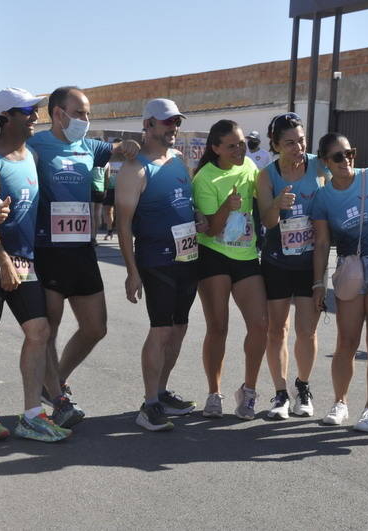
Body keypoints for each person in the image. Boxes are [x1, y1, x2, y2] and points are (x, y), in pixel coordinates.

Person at [0, 87, 74, 442]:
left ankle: (31, 414)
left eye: (35, 110)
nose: (35, 117)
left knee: (39, 332)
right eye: (28, 111)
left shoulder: (31, 156)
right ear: (7, 117)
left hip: (24, 261)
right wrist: (1, 261)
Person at [27, 86, 139, 419]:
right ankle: (56, 397)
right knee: (49, 330)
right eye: (79, 113)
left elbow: (119, 149)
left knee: (96, 327)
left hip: (82, 251)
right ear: (58, 114)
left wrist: (130, 146)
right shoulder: (36, 146)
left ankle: (55, 382)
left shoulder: (90, 146)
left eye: (88, 113)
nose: (86, 120)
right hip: (47, 250)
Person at [115, 98, 199, 431]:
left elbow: (186, 204)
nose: (173, 128)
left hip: (188, 255)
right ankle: (149, 405)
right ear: (148, 125)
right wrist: (132, 271)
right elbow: (123, 225)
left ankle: (161, 393)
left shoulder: (179, 160)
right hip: (156, 259)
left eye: (176, 122)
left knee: (179, 327)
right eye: (167, 122)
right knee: (161, 328)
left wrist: (201, 219)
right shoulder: (134, 169)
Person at [312, 132, 368, 432]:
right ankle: (340, 402)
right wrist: (318, 283)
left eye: (350, 153)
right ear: (325, 162)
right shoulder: (323, 196)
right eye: (338, 156)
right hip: (350, 269)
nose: (346, 160)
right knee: (347, 341)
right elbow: (322, 243)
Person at [192, 119, 268, 420]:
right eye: (232, 145)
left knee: (260, 325)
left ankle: (248, 392)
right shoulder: (204, 178)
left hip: (246, 256)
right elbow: (210, 231)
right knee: (218, 327)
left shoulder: (250, 167)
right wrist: (227, 206)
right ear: (216, 149)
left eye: (241, 143)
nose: (239, 149)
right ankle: (214, 393)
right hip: (213, 255)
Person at [256, 113, 324, 420]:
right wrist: (276, 205)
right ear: (275, 145)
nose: (298, 148)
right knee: (277, 330)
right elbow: (267, 222)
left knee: (306, 330)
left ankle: (303, 388)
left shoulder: (318, 165)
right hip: (277, 261)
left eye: (302, 140)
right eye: (290, 143)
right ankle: (281, 393)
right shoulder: (267, 176)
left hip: (310, 261)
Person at [102, 160, 117, 240]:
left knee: (121, 213)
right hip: (109, 188)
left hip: (122, 189)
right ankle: (109, 232)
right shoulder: (108, 157)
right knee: (108, 211)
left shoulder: (126, 156)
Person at [91, 164, 106, 241]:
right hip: (101, 190)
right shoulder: (107, 164)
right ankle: (95, 236)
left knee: (92, 215)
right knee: (98, 215)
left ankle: (92, 237)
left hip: (92, 188)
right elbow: (107, 178)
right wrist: (105, 190)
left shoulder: (91, 162)